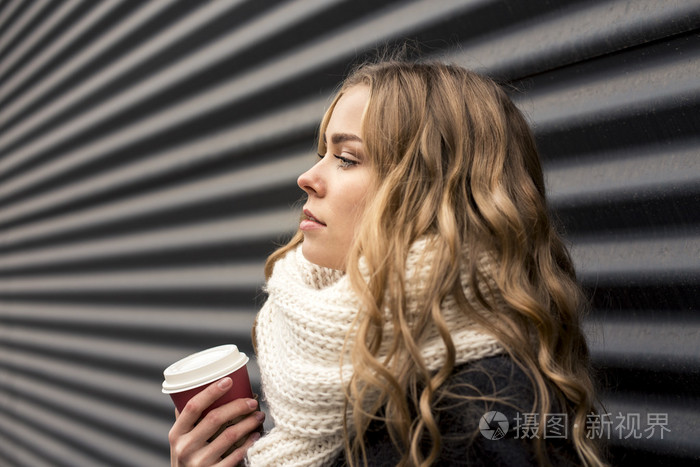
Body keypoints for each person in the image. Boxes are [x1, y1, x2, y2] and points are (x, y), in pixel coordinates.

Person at [169, 59, 608, 466]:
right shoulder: (324, 362)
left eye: (346, 158)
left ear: (431, 194)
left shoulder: (484, 417)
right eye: (323, 152)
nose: (308, 178)